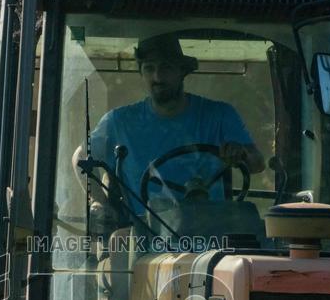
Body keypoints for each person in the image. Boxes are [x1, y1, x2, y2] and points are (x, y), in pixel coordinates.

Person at [88, 33, 265, 216]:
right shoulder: (119, 122)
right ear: (141, 73)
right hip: (145, 236)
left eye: (166, 67)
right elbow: (82, 158)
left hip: (212, 233)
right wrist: (100, 202)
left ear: (182, 71)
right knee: (119, 238)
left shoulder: (219, 115)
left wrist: (241, 154)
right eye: (149, 68)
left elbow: (257, 163)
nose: (157, 77)